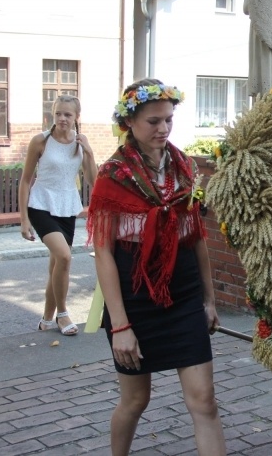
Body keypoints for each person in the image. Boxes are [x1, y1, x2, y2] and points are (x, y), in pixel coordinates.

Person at [87, 79, 226, 456]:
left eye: (168, 120)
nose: (163, 129)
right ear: (129, 122)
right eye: (154, 121)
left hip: (182, 295)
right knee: (135, 402)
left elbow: (196, 237)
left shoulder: (183, 166)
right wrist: (120, 326)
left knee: (205, 401)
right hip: (133, 299)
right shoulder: (112, 175)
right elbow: (103, 254)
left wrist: (209, 300)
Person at [19, 94, 97, 336]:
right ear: (52, 115)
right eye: (58, 114)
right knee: (64, 257)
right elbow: (24, 181)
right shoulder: (40, 141)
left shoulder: (79, 143)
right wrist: (23, 219)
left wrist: (90, 154)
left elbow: (94, 181)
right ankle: (63, 314)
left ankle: (46, 319)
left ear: (76, 117)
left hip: (67, 207)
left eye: (68, 114)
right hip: (41, 204)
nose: (62, 118)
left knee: (56, 264)